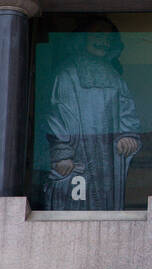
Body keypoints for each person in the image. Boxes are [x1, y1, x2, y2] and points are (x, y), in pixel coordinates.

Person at [44, 18, 141, 210]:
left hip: (107, 156)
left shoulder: (115, 77)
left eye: (108, 38)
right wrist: (61, 151)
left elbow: (126, 110)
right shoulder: (66, 75)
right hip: (77, 153)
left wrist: (127, 135)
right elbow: (57, 114)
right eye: (98, 36)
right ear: (82, 39)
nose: (104, 42)